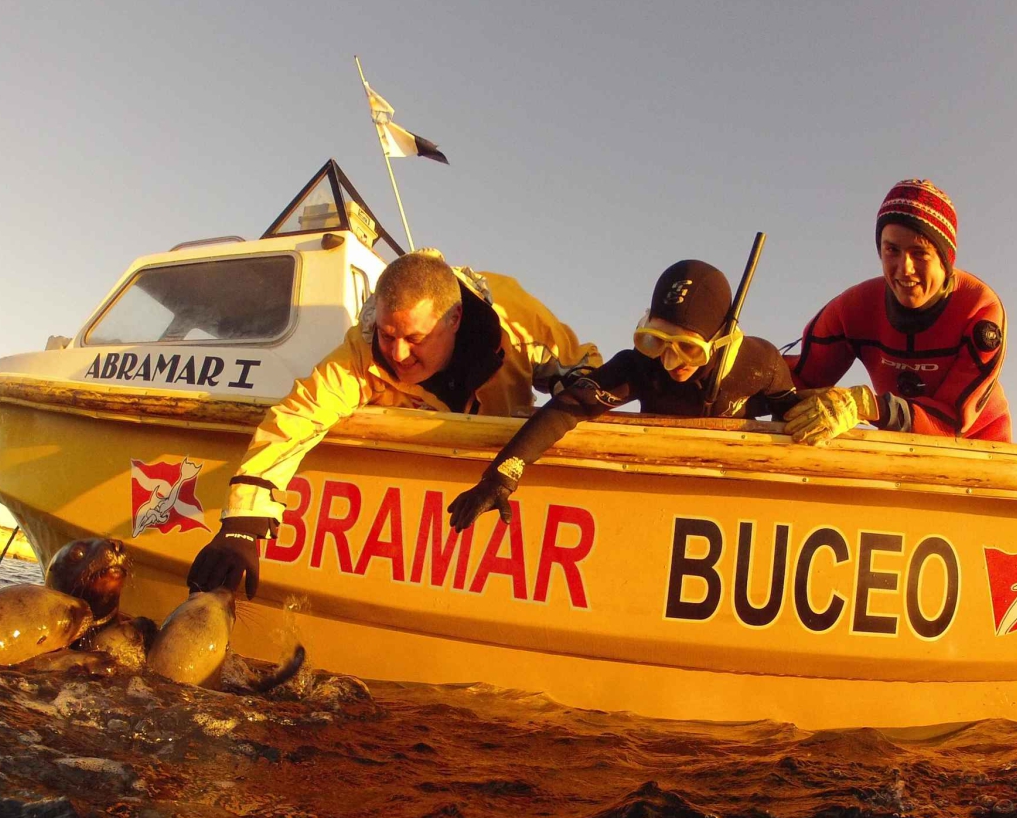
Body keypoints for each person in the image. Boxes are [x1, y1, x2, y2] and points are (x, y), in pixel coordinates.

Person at [187, 250, 601, 596]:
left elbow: (590, 381)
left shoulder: (519, 321)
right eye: (388, 335)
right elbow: (300, 415)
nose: (398, 354)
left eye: (415, 339)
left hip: (500, 491)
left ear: (454, 319)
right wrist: (243, 521)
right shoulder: (360, 351)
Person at [448, 259, 797, 531]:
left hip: (727, 508)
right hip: (658, 499)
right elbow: (568, 408)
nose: (670, 361)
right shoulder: (641, 367)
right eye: (656, 341)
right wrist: (501, 476)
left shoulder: (761, 365)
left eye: (689, 349)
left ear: (722, 339)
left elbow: (795, 423)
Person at [783, 178, 1011, 446]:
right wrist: (748, 367)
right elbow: (800, 380)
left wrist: (865, 405)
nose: (905, 269)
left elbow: (950, 422)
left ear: (945, 260)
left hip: (981, 452)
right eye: (892, 250)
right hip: (900, 447)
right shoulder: (854, 309)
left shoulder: (979, 311)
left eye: (920, 253)